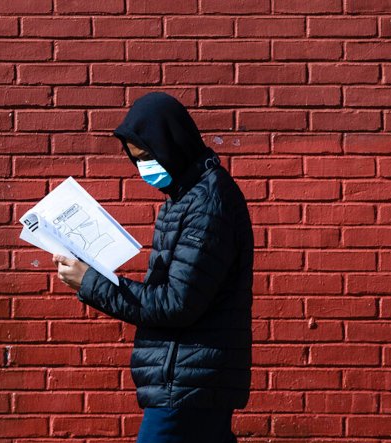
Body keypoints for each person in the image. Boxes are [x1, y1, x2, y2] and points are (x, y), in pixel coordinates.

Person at [53, 92, 253, 443]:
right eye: (137, 160)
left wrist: (91, 283)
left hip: (187, 385)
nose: (145, 168)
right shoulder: (184, 198)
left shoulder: (207, 204)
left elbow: (177, 303)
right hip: (190, 380)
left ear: (172, 145)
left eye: (148, 157)